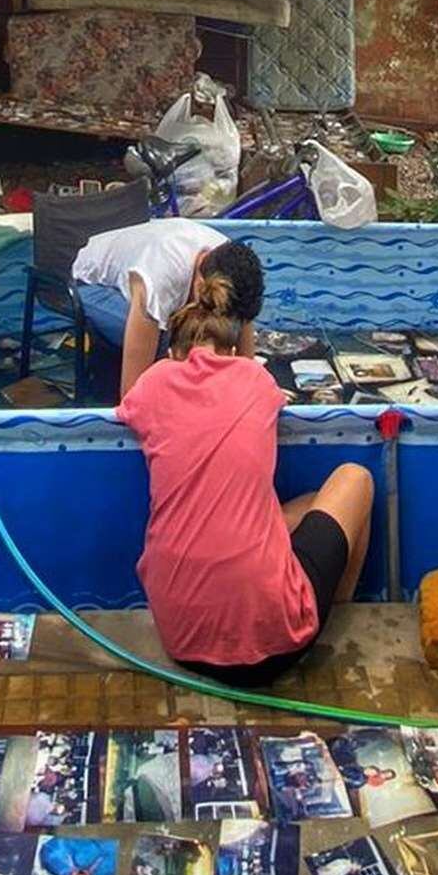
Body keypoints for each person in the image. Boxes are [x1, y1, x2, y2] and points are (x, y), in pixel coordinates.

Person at [116, 272, 374, 684]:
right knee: (354, 478)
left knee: (308, 505)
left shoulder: (154, 385)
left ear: (173, 352)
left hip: (180, 636)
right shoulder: (256, 381)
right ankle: (333, 607)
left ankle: (303, 590)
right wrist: (245, 321)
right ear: (235, 349)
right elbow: (246, 364)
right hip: (276, 643)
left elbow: (125, 399)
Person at [72, 217, 265, 397]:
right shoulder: (159, 280)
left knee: (206, 336)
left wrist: (256, 390)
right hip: (89, 284)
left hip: (144, 263)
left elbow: (244, 335)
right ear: (200, 284)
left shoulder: (231, 267)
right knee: (166, 343)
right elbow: (131, 395)